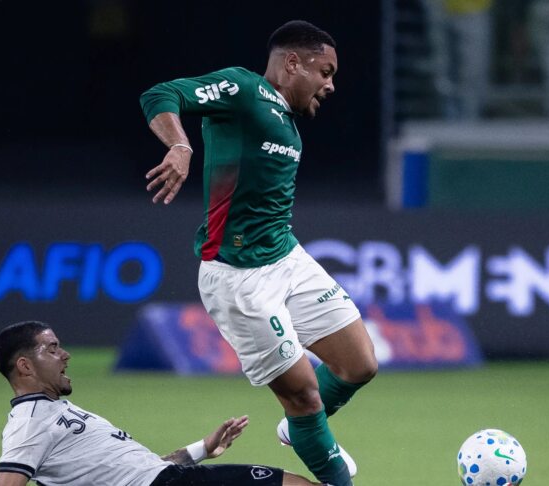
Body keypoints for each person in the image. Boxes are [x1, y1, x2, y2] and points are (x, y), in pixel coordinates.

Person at [139, 20, 378, 486]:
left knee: (360, 364)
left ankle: (300, 428)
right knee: (304, 397)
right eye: (325, 72)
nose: (331, 85)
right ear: (293, 63)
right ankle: (314, 437)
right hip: (239, 278)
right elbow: (160, 94)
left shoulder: (287, 121)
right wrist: (180, 145)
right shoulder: (244, 90)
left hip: (285, 256)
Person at [0, 320, 322, 486]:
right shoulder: (29, 422)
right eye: (52, 349)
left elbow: (143, 471)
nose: (65, 355)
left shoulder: (55, 411)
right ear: (25, 366)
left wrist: (203, 448)